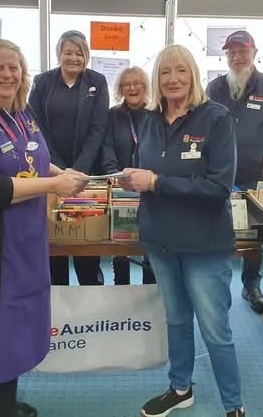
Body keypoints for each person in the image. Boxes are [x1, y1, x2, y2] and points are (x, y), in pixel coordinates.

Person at [0, 39, 87, 417]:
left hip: (27, 242)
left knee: (20, 325)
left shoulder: (22, 114)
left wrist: (61, 172)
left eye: (15, 67)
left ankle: (3, 400)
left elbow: (33, 157)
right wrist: (53, 186)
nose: (8, 74)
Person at [120, 45, 245, 417]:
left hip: (204, 245)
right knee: (176, 320)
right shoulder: (149, 121)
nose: (173, 79)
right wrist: (134, 179)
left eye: (181, 71)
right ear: (156, 80)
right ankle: (180, 388)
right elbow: (153, 172)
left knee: (215, 331)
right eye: (164, 73)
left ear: (193, 75)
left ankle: (234, 406)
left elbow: (218, 187)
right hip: (160, 242)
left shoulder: (216, 119)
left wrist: (157, 182)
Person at [206, 30, 263, 313]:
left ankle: (251, 285)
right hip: (217, 176)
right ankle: (216, 283)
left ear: (254, 52)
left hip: (254, 177)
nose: (236, 57)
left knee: (253, 233)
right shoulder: (214, 88)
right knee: (217, 229)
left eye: (242, 51)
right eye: (231, 52)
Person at [29, 30, 108, 286]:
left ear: (86, 56)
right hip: (51, 174)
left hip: (87, 175)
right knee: (57, 243)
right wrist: (60, 172)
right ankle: (57, 299)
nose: (74, 57)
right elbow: (35, 127)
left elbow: (98, 129)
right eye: (69, 52)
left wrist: (79, 169)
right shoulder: (42, 83)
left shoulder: (98, 81)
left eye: (79, 53)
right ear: (59, 54)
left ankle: (92, 295)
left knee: (88, 247)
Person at [102, 66, 155, 286]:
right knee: (121, 240)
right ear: (120, 89)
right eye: (127, 84)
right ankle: (120, 286)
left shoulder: (156, 113)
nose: (132, 88)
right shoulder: (113, 114)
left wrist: (149, 178)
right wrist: (115, 173)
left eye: (137, 83)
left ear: (145, 87)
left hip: (148, 185)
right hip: (120, 183)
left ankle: (149, 288)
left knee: (149, 241)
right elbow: (106, 146)